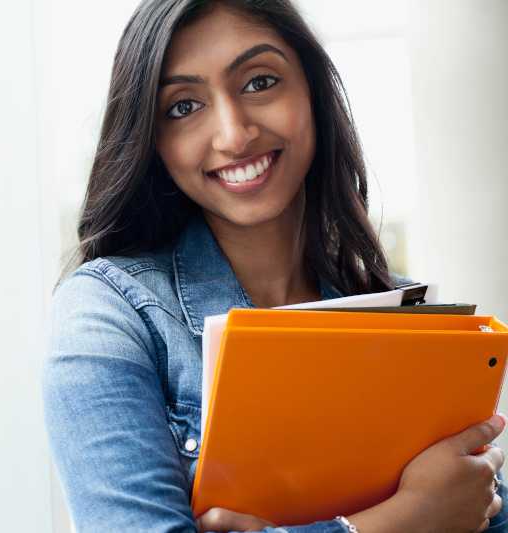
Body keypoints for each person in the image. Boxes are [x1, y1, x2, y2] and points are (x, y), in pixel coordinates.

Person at [42, 1, 507, 531]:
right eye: (183, 106)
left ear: (311, 90)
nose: (234, 135)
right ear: (154, 142)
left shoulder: (404, 316)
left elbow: (480, 510)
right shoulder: (108, 316)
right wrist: (401, 520)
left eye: (260, 82)